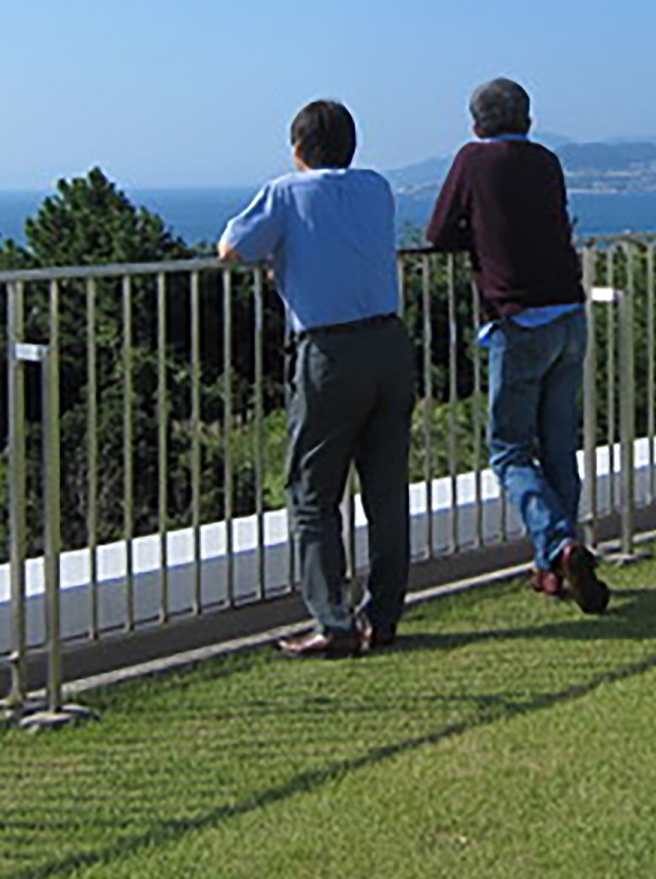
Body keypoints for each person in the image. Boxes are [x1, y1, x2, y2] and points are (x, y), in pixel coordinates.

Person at [220, 99, 415, 658]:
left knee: (311, 491)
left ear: (298, 148)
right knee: (384, 490)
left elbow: (232, 248)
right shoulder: (376, 188)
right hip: (389, 344)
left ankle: (333, 621)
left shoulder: (286, 191)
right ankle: (384, 614)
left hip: (330, 352)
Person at [425, 78, 609, 614]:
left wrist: (475, 237)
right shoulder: (547, 161)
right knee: (557, 447)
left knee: (508, 449)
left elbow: (438, 232)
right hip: (570, 316)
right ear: (527, 118)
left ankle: (558, 544)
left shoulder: (473, 160)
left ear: (476, 121)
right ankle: (552, 568)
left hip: (520, 318)